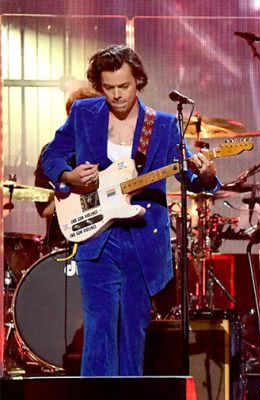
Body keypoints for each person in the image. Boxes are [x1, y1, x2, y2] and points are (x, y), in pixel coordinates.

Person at [41, 45, 219, 376]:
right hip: (97, 238)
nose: (117, 95)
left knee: (133, 332)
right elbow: (51, 155)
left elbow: (187, 175)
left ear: (137, 80)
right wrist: (68, 176)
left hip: (142, 241)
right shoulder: (84, 113)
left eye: (124, 86)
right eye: (108, 88)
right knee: (99, 328)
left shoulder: (163, 125)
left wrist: (205, 175)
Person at [34, 86, 102, 251]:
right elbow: (45, 210)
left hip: (104, 241)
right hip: (63, 245)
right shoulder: (50, 154)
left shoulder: (108, 150)